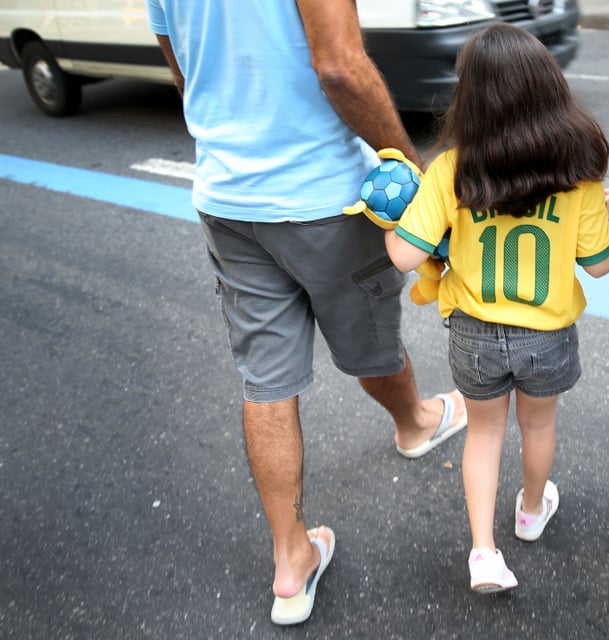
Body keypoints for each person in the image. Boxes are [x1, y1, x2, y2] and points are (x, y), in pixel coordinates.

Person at [145, 0, 468, 626]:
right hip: (325, 197)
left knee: (265, 380)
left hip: (228, 197)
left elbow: (183, 70)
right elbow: (342, 68)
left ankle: (291, 561)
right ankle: (415, 423)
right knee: (368, 339)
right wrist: (413, 167)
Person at [384, 23, 609, 593]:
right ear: (549, 87)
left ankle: (482, 553)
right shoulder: (576, 171)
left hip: (473, 333)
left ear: (468, 98)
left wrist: (398, 208)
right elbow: (598, 262)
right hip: (546, 335)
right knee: (538, 424)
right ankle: (528, 511)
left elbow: (401, 256)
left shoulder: (451, 168)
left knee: (485, 435)